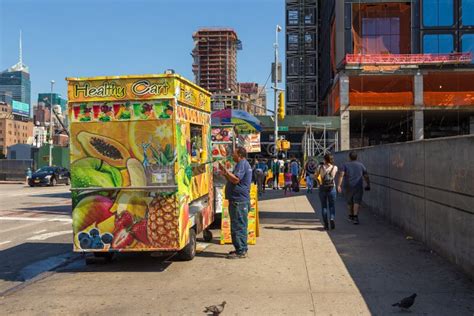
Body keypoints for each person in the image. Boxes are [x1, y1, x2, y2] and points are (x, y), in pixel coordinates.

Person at [220, 146, 252, 259]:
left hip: (239, 202)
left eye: (234, 153)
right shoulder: (241, 164)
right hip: (237, 201)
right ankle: (240, 248)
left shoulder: (242, 164)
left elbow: (236, 179)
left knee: (239, 226)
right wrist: (225, 174)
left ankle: (241, 251)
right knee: (237, 225)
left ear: (240, 155)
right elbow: (234, 179)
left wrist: (226, 171)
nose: (232, 155)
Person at [337, 151, 370, 225]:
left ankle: (351, 215)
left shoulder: (345, 165)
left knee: (349, 201)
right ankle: (355, 217)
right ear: (356, 157)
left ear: (349, 157)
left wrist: (339, 185)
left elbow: (341, 175)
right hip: (358, 186)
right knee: (357, 201)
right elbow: (366, 175)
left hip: (348, 186)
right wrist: (368, 184)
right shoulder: (361, 165)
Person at [315, 154, 338, 230]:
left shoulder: (320, 167)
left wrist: (319, 183)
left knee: (324, 206)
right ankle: (332, 218)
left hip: (322, 187)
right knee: (332, 206)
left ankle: (326, 225)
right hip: (332, 188)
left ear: (324, 159)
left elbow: (315, 176)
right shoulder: (335, 167)